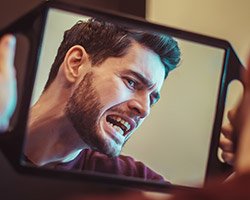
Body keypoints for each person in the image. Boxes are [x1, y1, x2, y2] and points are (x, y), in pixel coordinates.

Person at [21, 18, 181, 181]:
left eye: (152, 99)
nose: (145, 109)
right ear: (75, 64)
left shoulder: (132, 180)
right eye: (131, 82)